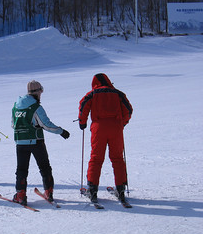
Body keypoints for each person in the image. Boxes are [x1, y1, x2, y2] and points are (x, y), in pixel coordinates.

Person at [11, 80, 70, 205]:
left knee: (21, 169)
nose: (41, 94)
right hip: (36, 141)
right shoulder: (36, 107)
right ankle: (48, 192)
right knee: (44, 167)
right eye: (40, 91)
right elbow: (46, 125)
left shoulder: (15, 106)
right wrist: (61, 131)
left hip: (20, 142)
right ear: (37, 92)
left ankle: (20, 195)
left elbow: (13, 124)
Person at [78, 73, 133, 202]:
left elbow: (83, 106)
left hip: (98, 128)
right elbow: (128, 110)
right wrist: (122, 123)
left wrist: (82, 122)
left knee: (96, 159)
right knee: (118, 158)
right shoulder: (118, 94)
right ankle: (120, 189)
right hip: (116, 128)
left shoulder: (92, 94)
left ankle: (92, 190)